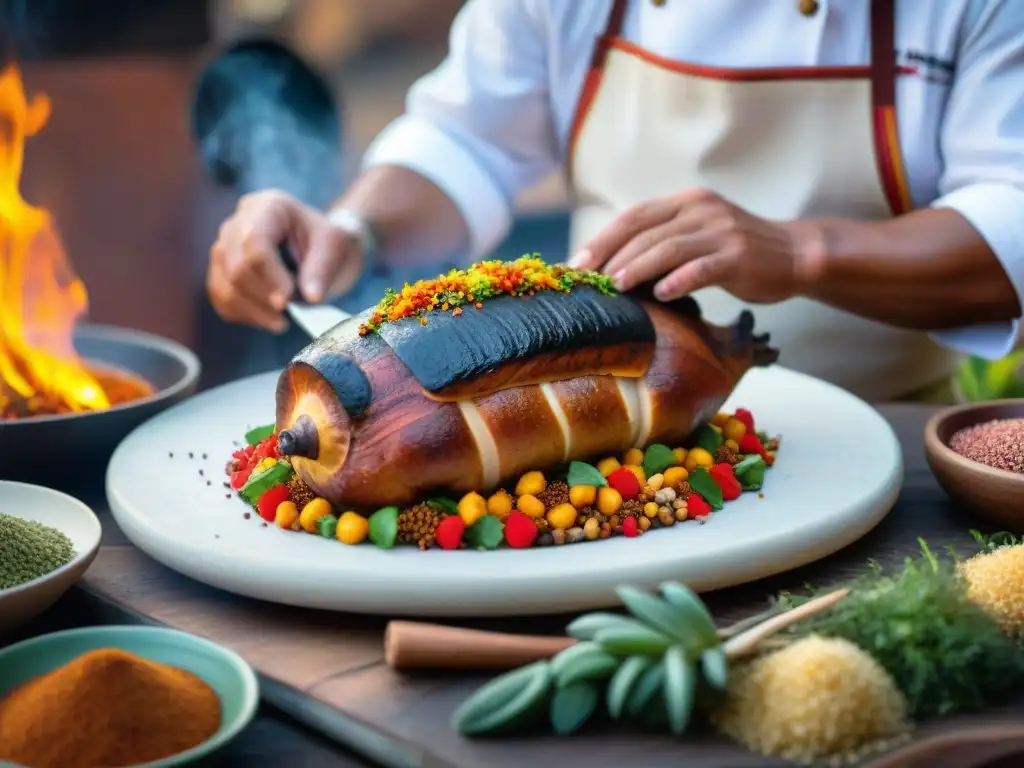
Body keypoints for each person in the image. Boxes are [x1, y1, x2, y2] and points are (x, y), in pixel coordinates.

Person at [206, 0, 1024, 402]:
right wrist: (352, 228)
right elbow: (466, 139)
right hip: (602, 424)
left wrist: (801, 251)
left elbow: (1011, 219)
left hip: (884, 431)